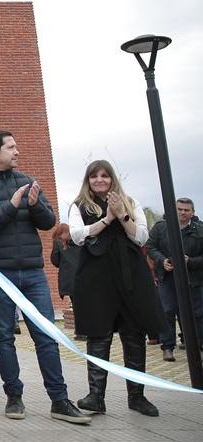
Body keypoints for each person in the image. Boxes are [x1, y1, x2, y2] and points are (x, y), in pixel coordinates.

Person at [0, 130, 89, 425]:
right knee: (4, 336)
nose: (17, 151)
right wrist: (11, 206)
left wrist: (34, 204)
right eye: (11, 147)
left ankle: (59, 400)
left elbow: (48, 223)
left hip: (32, 271)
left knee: (46, 335)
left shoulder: (28, 182)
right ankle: (14, 397)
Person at [66, 160, 166, 417]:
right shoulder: (79, 206)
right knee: (98, 337)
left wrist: (121, 216)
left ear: (112, 179)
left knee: (134, 336)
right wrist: (106, 218)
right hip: (96, 280)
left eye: (105, 176)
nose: (99, 181)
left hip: (131, 278)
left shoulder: (130, 203)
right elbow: (78, 236)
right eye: (94, 177)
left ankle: (137, 396)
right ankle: (95, 396)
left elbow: (141, 236)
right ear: (87, 180)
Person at [145, 198, 203, 362]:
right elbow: (150, 247)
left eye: (186, 210)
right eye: (179, 209)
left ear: (192, 212)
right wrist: (162, 261)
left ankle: (197, 346)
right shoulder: (160, 228)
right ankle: (168, 347)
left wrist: (190, 261)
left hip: (194, 279)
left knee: (197, 314)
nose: (183, 212)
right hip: (168, 278)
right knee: (167, 312)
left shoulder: (200, 230)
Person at [49, 223, 82, 338]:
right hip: (82, 276)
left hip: (69, 279)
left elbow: (55, 260)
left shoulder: (58, 243)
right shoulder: (79, 241)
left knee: (76, 305)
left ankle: (81, 332)